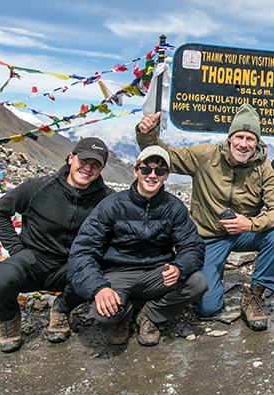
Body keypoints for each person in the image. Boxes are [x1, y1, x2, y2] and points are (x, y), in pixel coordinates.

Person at [135, 103, 274, 330]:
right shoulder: (205, 156)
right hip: (209, 237)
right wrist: (146, 134)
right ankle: (211, 280)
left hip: (243, 233)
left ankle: (254, 295)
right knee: (207, 308)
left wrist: (251, 223)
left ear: (257, 142)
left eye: (250, 139)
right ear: (230, 137)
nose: (244, 144)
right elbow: (167, 157)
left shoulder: (264, 168)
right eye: (239, 137)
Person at [66, 146, 208, 346]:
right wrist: (98, 288)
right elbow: (83, 250)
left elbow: (192, 246)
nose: (152, 175)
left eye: (159, 171)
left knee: (197, 282)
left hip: (158, 274)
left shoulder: (174, 207)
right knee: (101, 313)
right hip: (117, 275)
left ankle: (149, 314)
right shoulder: (111, 205)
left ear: (166, 175)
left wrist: (179, 268)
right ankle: (122, 317)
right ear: (136, 171)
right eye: (146, 169)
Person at [0, 137, 113, 352]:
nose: (88, 168)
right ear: (71, 158)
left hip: (72, 266)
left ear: (102, 169)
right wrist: (17, 250)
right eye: (84, 161)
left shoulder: (106, 200)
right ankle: (9, 319)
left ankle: (62, 309)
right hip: (31, 260)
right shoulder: (38, 187)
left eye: (95, 165)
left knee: (100, 275)